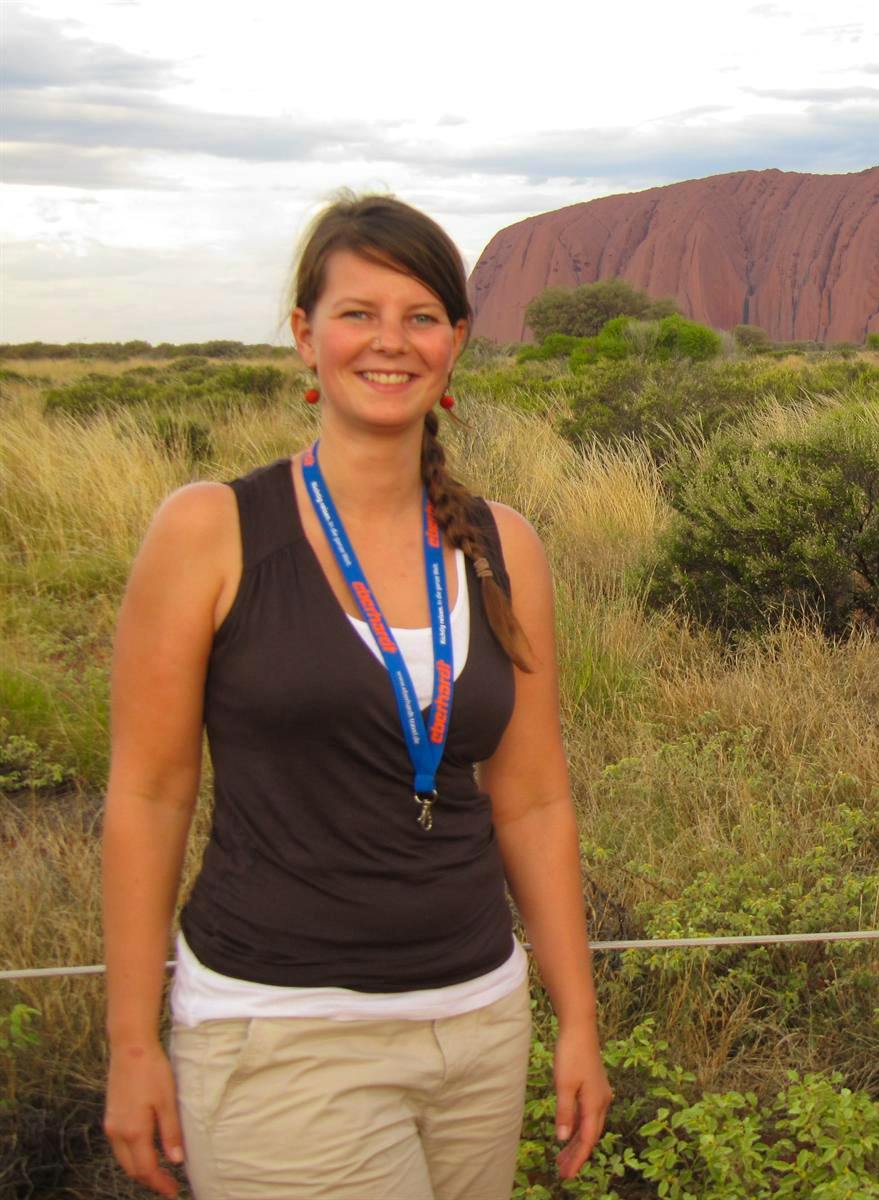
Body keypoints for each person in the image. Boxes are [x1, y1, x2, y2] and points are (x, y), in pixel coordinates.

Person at [100, 192, 611, 1199]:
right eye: (357, 313)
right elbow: (149, 796)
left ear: (456, 342)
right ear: (305, 335)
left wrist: (578, 1021)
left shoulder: (504, 546)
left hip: (476, 1024)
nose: (390, 342)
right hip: (280, 1034)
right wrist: (130, 1042)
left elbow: (534, 798)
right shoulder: (210, 531)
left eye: (420, 316)